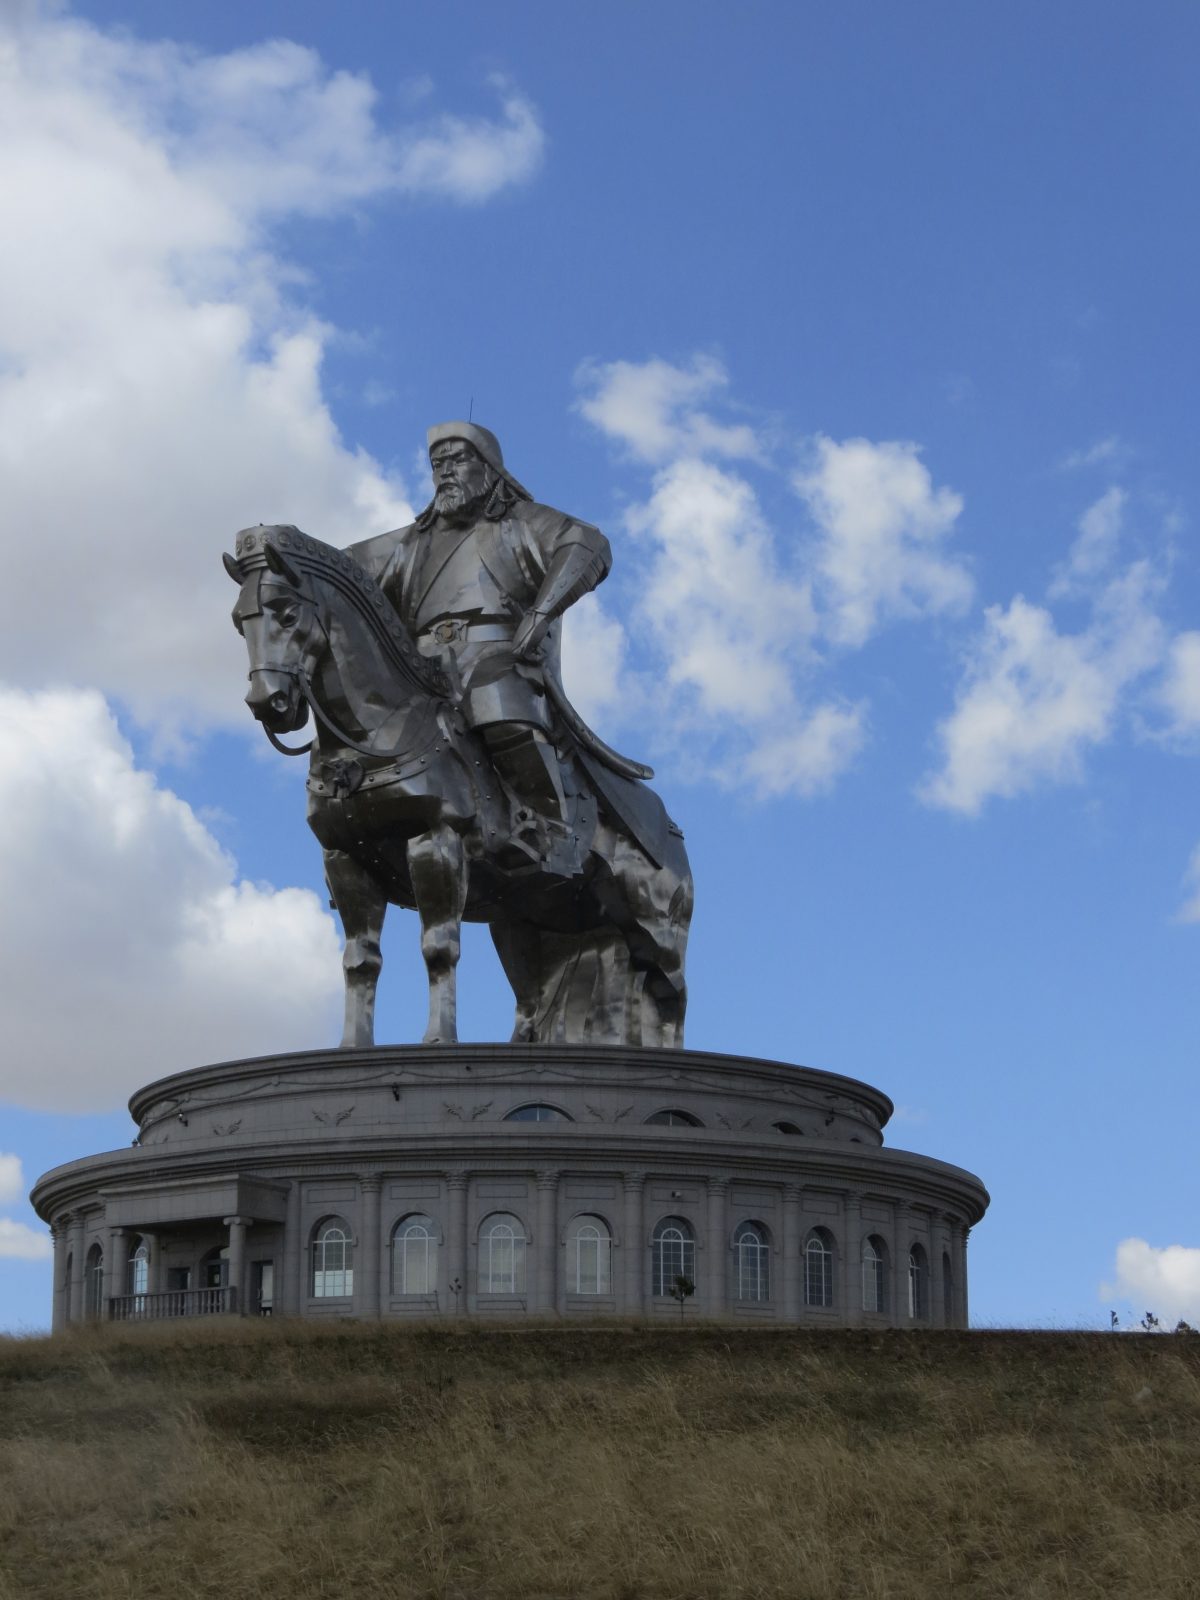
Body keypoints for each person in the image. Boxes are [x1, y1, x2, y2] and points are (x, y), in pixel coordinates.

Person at [348, 422, 614, 859]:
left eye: (458, 459)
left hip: (496, 657)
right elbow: (340, 568)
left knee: (495, 695)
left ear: (489, 467)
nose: (445, 472)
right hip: (421, 668)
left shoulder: (520, 522)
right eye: (437, 464)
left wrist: (542, 611)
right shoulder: (410, 543)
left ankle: (552, 826)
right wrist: (283, 555)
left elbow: (586, 543)